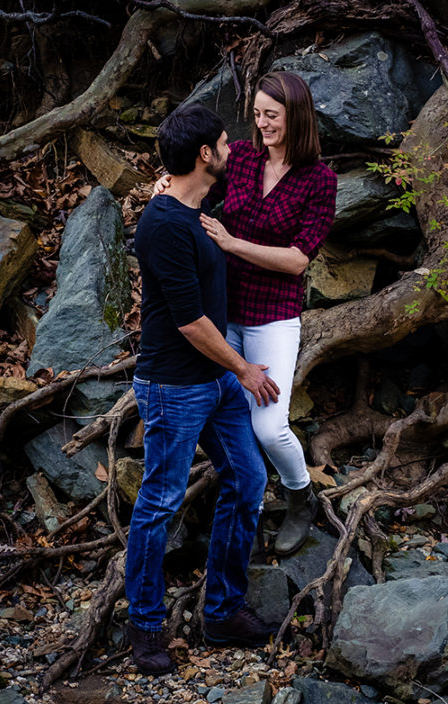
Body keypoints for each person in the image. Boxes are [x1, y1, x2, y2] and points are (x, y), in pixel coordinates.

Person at [128, 104, 281, 676]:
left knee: (247, 479)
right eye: (223, 142)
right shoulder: (165, 226)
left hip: (213, 382)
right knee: (159, 504)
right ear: (203, 157)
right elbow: (190, 323)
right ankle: (144, 626)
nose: (233, 148)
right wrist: (244, 369)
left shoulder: (195, 208)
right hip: (174, 388)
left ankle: (221, 612)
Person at [157, 72, 337, 556]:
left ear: (296, 115)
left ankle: (301, 496)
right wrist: (169, 183)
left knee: (268, 426)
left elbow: (299, 259)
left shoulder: (319, 180)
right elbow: (199, 194)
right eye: (257, 114)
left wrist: (234, 242)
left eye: (271, 115)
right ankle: (247, 513)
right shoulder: (241, 156)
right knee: (224, 420)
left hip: (273, 316)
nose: (261, 124)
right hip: (219, 312)